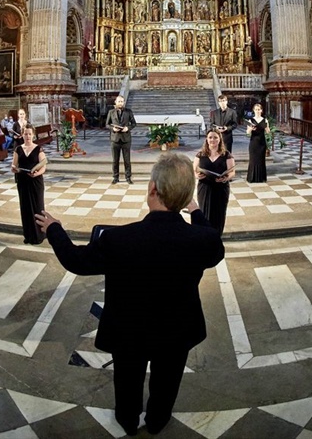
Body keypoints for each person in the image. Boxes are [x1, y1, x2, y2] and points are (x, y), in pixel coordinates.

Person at [35, 153, 225, 436]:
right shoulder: (203, 241)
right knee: (168, 381)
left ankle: (127, 420)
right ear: (186, 196)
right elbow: (211, 238)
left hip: (129, 329)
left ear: (152, 190)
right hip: (176, 328)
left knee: (127, 380)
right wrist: (195, 210)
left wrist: (55, 230)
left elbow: (76, 261)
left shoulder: (117, 239)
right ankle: (158, 420)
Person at [193, 129, 236, 235]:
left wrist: (226, 178)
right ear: (206, 140)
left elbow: (232, 172)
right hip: (205, 187)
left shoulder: (226, 155)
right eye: (210, 137)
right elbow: (193, 170)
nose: (213, 140)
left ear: (220, 139)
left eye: (215, 137)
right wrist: (197, 175)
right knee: (204, 211)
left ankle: (217, 235)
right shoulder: (200, 155)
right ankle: (205, 235)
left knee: (219, 213)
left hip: (221, 188)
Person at [12, 125, 47, 245]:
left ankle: (39, 235)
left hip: (35, 181)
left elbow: (44, 166)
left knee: (37, 208)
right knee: (25, 208)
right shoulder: (18, 149)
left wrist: (37, 173)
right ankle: (28, 235)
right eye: (25, 134)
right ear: (22, 135)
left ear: (33, 135)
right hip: (23, 181)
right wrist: (14, 169)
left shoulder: (38, 149)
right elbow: (14, 165)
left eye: (29, 134)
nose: (27, 136)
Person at [105, 95, 136, 184]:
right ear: (115, 102)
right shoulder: (111, 112)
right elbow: (107, 124)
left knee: (127, 160)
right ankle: (115, 177)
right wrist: (113, 129)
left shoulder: (128, 112)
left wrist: (128, 128)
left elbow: (134, 123)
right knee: (115, 160)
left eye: (122, 101)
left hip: (126, 139)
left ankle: (128, 177)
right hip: (115, 139)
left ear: (124, 102)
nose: (120, 103)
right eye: (119, 101)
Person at [245, 103, 270, 183]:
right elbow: (247, 133)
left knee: (261, 160)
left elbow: (268, 132)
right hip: (253, 142)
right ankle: (252, 178)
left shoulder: (265, 120)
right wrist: (251, 129)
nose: (257, 111)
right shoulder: (250, 120)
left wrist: (266, 127)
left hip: (262, 142)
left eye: (259, 109)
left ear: (261, 110)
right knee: (253, 160)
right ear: (254, 110)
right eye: (256, 109)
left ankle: (261, 178)